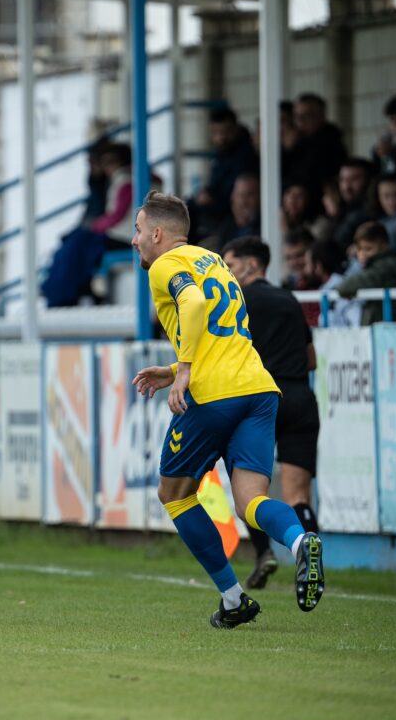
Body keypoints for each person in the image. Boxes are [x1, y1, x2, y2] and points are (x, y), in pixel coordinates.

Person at [131, 190, 325, 630]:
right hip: (258, 387)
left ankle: (233, 598)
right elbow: (216, 326)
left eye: (139, 230)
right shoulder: (213, 260)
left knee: (174, 495)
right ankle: (299, 542)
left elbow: (195, 306)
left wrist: (183, 371)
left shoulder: (164, 266)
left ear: (158, 233)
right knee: (252, 500)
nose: (134, 240)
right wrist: (172, 367)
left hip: (212, 392)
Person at [223, 236, 320, 590]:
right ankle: (308, 560)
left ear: (251, 265)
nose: (225, 272)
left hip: (260, 399)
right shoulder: (290, 299)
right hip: (300, 397)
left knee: (249, 492)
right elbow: (311, 359)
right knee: (298, 495)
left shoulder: (237, 302)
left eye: (230, 265)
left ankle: (263, 552)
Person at [42, 143, 133, 307]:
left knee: (76, 248)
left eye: (109, 162)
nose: (106, 168)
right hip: (118, 234)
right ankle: (61, 291)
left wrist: (95, 226)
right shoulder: (122, 180)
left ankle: (61, 294)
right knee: (73, 247)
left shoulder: (126, 181)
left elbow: (116, 215)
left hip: (123, 237)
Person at [187, 106, 258, 244]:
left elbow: (233, 192)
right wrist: (206, 193)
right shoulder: (222, 152)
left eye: (225, 132)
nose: (221, 137)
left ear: (235, 129)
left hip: (229, 210)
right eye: (216, 132)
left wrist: (211, 197)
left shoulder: (245, 154)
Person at [337, 221, 396, 325]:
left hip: (390, 331)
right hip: (387, 330)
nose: (363, 254)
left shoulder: (386, 267)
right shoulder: (386, 264)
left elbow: (344, 287)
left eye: (368, 249)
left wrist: (360, 266)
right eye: (360, 249)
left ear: (384, 246)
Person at [282, 92, 347, 200]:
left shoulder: (329, 143)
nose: (300, 121)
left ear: (321, 116)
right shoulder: (295, 142)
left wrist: (290, 151)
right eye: (297, 116)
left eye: (307, 115)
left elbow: (306, 177)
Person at [305, 238, 362, 328]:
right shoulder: (327, 289)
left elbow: (356, 322)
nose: (305, 270)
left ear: (318, 267)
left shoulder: (344, 288)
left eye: (307, 264)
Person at [206, 172, 260, 251]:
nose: (243, 201)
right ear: (232, 197)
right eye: (240, 195)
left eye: (249, 194)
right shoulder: (225, 227)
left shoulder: (265, 225)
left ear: (259, 197)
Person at [331, 157, 375, 252]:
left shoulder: (368, 210)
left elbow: (336, 246)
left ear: (369, 180)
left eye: (354, 179)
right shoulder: (342, 206)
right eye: (342, 180)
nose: (346, 187)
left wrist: (336, 216)